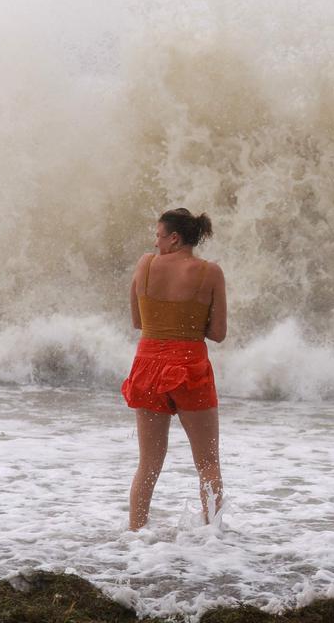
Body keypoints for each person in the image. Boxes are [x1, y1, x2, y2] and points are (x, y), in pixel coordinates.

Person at [121, 208, 228, 530]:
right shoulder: (210, 272)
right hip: (189, 367)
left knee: (148, 464)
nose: (155, 244)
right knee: (208, 462)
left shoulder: (146, 265)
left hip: (147, 365)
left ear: (174, 238)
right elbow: (219, 333)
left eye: (158, 236)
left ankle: (136, 533)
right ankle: (214, 534)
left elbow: (138, 322)